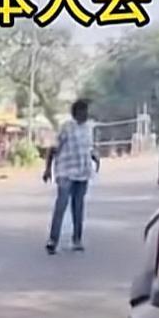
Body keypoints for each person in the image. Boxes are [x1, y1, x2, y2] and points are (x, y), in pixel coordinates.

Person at [44, 98, 98, 255]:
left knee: (78, 207)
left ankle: (77, 239)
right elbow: (53, 148)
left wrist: (95, 158)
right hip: (66, 172)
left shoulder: (88, 129)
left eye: (86, 111)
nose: (86, 114)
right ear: (76, 113)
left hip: (82, 173)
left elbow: (88, 149)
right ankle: (53, 240)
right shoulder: (66, 128)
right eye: (83, 111)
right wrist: (47, 169)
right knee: (61, 205)